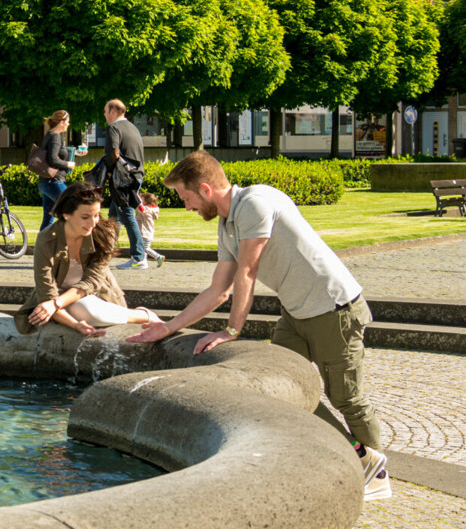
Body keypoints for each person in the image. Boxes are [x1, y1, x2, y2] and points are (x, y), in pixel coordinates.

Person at [128, 151, 390, 501]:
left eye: (185, 197)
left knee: (346, 399)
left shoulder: (254, 203)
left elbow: (246, 273)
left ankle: (377, 474)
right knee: (281, 389)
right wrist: (168, 327)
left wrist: (231, 331)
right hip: (297, 314)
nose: (185, 206)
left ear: (205, 189)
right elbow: (217, 290)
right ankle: (356, 456)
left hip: (334, 308)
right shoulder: (227, 222)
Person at [17, 183, 159, 337]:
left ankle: (144, 315)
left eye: (96, 215)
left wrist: (56, 304)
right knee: (81, 309)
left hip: (96, 297)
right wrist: (75, 325)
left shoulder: (105, 234)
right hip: (58, 302)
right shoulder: (46, 239)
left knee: (87, 309)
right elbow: (46, 294)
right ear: (66, 214)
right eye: (85, 217)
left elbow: (92, 282)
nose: (93, 223)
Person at [99, 99, 151, 269]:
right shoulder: (133, 127)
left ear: (113, 111)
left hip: (122, 178)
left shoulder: (113, 128)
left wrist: (108, 171)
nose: (105, 115)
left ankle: (138, 257)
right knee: (114, 217)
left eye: (106, 111)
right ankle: (104, 253)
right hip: (135, 176)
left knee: (126, 215)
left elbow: (113, 152)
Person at [36, 110, 87, 230]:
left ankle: (42, 247)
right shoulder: (55, 137)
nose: (69, 124)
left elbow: (59, 153)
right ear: (61, 122)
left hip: (45, 182)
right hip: (54, 182)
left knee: (48, 220)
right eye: (68, 122)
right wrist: (68, 164)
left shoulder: (50, 134)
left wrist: (76, 153)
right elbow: (53, 159)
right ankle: (70, 240)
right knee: (74, 207)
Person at [136, 191, 167, 265]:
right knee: (144, 248)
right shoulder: (153, 209)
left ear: (146, 201)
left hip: (145, 232)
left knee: (145, 248)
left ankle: (158, 257)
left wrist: (136, 198)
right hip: (148, 232)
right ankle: (144, 261)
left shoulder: (147, 209)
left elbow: (141, 209)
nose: (140, 200)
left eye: (141, 199)